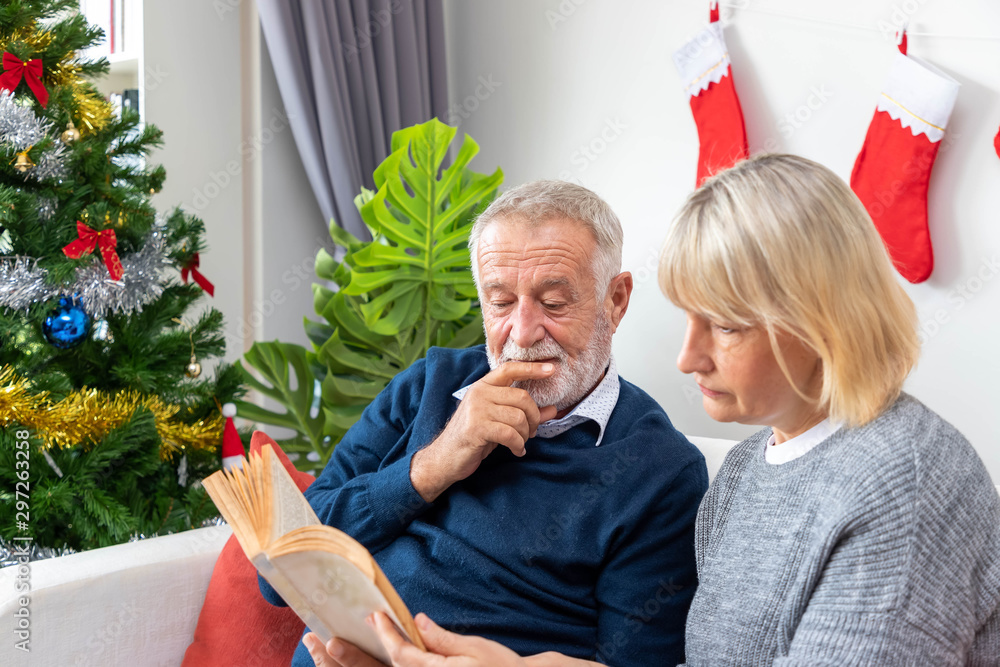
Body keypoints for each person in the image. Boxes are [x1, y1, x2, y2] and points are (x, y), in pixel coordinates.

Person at [313, 154, 1000, 667]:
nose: (686, 358)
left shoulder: (904, 480)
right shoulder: (746, 475)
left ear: (821, 321)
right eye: (690, 319)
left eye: (724, 325)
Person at [271, 179, 709, 667]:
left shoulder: (660, 470)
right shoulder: (428, 384)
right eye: (500, 302)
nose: (522, 332)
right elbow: (279, 572)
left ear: (616, 301)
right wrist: (432, 466)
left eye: (554, 302)